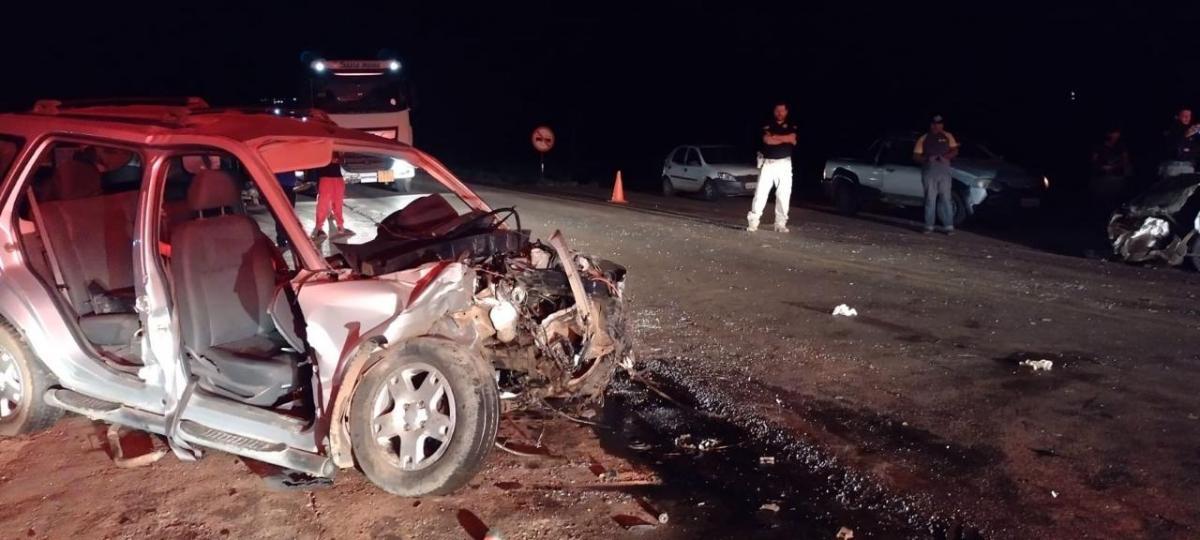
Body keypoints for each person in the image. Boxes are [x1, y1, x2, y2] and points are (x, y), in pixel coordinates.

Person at [746, 102, 797, 233]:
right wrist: (783, 138)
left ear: (786, 112)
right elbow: (767, 140)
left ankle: (780, 224)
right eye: (777, 111)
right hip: (768, 164)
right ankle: (753, 221)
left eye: (782, 111)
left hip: (784, 164)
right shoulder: (767, 124)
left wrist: (775, 136)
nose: (779, 113)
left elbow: (792, 139)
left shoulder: (792, 125)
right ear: (774, 111)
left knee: (783, 195)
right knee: (760, 193)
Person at [912, 115, 959, 234]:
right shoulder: (924, 137)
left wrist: (946, 157)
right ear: (931, 125)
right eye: (934, 124)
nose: (937, 126)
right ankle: (929, 226)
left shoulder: (948, 136)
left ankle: (948, 226)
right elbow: (916, 156)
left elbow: (955, 150)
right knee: (930, 199)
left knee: (946, 199)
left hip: (944, 170)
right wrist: (928, 159)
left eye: (939, 124)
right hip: (929, 171)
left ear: (942, 125)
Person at [310, 155, 353, 240]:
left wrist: (339, 159)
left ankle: (340, 226)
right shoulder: (321, 147)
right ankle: (319, 229)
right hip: (325, 178)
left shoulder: (337, 148)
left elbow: (343, 160)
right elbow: (315, 160)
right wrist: (329, 159)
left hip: (338, 178)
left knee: (338, 204)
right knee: (323, 206)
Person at [1089, 128, 1132, 211]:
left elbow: (1126, 161)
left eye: (1118, 133)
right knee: (1102, 200)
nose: (1117, 134)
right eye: (1115, 132)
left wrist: (1116, 167)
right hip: (1102, 178)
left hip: (1117, 178)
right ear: (1109, 134)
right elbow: (1094, 161)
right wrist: (1101, 167)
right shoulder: (1099, 146)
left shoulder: (1121, 146)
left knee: (1115, 200)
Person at [1160, 107, 1199, 178]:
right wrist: (1185, 136)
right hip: (1173, 167)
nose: (1187, 118)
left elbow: (1195, 150)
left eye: (1189, 116)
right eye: (1184, 116)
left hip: (1188, 167)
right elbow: (1171, 148)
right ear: (1177, 116)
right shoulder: (1171, 129)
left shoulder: (1192, 130)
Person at [274, 170, 299, 247]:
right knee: (282, 214)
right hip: (281, 186)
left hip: (289, 185)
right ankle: (282, 239)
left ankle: (285, 238)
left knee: (288, 214)